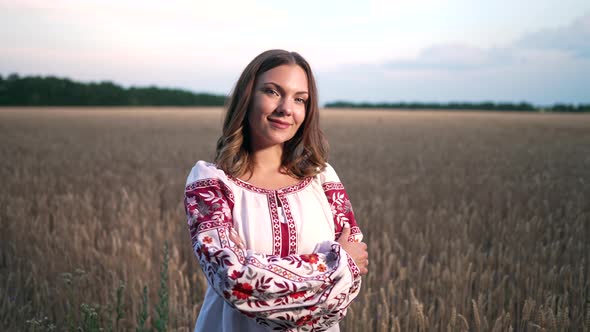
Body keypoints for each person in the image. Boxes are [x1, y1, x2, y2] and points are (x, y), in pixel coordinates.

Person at [184, 49, 369, 331]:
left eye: (299, 99)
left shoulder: (324, 179)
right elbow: (231, 280)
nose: (286, 108)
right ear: (247, 98)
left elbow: (349, 284)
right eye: (272, 92)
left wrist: (254, 265)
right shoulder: (211, 183)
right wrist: (333, 265)